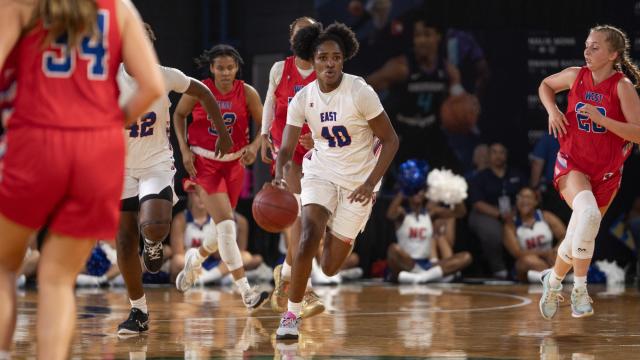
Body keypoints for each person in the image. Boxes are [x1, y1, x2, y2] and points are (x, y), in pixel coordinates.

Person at [0, 0, 164, 358]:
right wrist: (105, 125)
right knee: (58, 278)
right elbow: (151, 85)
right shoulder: (118, 7)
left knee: (4, 267)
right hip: (98, 147)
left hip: (37, 136)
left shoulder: (20, 4)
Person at [273, 22, 399, 340]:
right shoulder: (302, 99)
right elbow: (286, 148)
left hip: (360, 182)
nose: (330, 63)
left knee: (329, 267)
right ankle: (291, 314)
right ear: (311, 61)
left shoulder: (359, 91)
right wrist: (277, 175)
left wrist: (370, 183)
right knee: (307, 234)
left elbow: (391, 140)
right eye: (323, 57)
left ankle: (343, 232)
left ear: (344, 60)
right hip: (321, 172)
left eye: (336, 57)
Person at [114, 24, 233, 335]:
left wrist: (221, 130)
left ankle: (153, 242)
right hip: (119, 167)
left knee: (153, 225)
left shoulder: (164, 74)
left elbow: (203, 92)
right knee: (125, 240)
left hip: (155, 163)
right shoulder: (107, 81)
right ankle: (138, 311)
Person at [538, 24, 640, 319]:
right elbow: (545, 85)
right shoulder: (575, 75)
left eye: (595, 47)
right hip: (574, 164)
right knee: (589, 215)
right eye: (586, 45)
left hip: (607, 174)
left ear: (613, 55)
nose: (587, 51)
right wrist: (553, 111)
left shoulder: (622, 87)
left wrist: (602, 119)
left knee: (579, 234)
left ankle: (553, 280)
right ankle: (580, 287)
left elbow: (637, 133)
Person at [173, 44, 269, 313]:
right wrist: (184, 151)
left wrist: (253, 147)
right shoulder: (198, 89)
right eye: (220, 67)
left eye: (230, 67)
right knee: (228, 227)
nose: (226, 72)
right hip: (205, 164)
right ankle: (246, 292)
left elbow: (265, 123)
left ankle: (197, 257)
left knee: (221, 228)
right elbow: (179, 114)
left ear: (237, 68)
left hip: (235, 164)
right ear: (212, 69)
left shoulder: (247, 92)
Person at [260, 16, 325, 318]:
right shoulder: (279, 69)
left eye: (310, 34)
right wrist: (262, 136)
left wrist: (320, 137)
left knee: (317, 225)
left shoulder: (326, 69)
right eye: (300, 34)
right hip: (285, 149)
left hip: (315, 149)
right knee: (297, 217)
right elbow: (270, 106)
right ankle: (305, 287)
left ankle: (286, 274)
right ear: (292, 38)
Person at [169, 191, 269, 285]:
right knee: (177, 260)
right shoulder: (181, 219)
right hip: (193, 263)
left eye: (205, 195)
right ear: (190, 196)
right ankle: (223, 278)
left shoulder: (217, 217)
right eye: (197, 195)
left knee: (245, 256)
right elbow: (178, 253)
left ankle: (206, 278)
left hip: (215, 263)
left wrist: (216, 250)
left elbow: (222, 251)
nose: (200, 198)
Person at [386, 187, 471, 284]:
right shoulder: (402, 214)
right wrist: (404, 189)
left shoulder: (431, 214)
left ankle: (422, 277)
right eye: (414, 190)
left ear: (425, 194)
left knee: (466, 257)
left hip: (426, 264)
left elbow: (460, 213)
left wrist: (453, 192)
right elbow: (390, 214)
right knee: (393, 249)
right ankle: (432, 276)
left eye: (420, 190)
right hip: (407, 262)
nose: (417, 193)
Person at [467, 142, 524, 278]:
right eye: (494, 152)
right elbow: (477, 203)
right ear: (489, 156)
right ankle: (499, 270)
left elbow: (526, 194)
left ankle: (523, 268)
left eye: (501, 152)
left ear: (506, 155)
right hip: (486, 214)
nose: (498, 156)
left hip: (515, 212)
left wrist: (515, 212)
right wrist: (500, 214)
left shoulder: (516, 174)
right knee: (493, 232)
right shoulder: (480, 177)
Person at [503, 187, 566, 282]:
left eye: (528, 197)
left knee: (569, 255)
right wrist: (545, 254)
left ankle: (549, 277)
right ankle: (556, 276)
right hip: (530, 263)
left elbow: (564, 235)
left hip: (551, 258)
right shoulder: (511, 225)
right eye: (520, 197)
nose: (524, 201)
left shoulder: (545, 216)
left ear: (536, 202)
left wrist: (556, 250)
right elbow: (517, 253)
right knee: (526, 261)